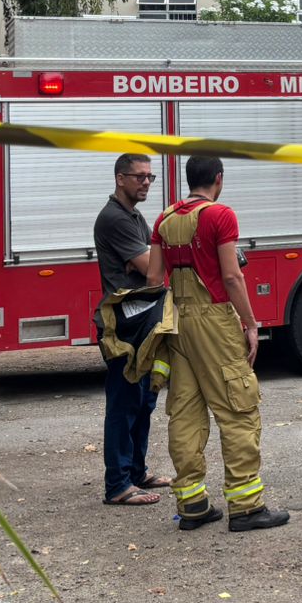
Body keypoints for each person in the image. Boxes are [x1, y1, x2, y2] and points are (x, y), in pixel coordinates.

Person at [148, 156, 289, 533]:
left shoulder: (164, 219)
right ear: (219, 180)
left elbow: (152, 276)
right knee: (238, 409)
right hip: (214, 320)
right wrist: (251, 323)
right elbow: (231, 275)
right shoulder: (220, 215)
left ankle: (192, 504)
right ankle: (246, 507)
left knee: (185, 414)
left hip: (177, 322)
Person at [93, 153, 171, 507]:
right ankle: (118, 485)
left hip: (142, 322)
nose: (146, 183)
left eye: (150, 177)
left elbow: (149, 265)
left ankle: (137, 472)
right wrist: (147, 262)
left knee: (144, 401)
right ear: (119, 178)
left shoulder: (134, 216)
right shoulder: (114, 219)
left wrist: (147, 261)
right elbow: (153, 273)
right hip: (122, 327)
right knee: (124, 404)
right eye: (139, 176)